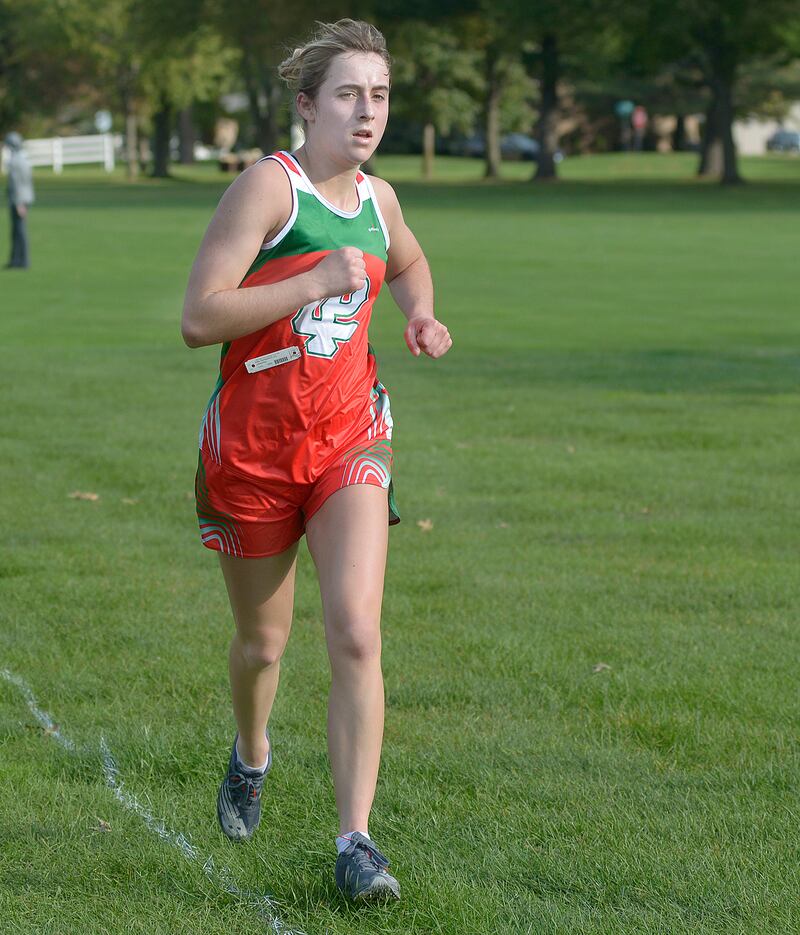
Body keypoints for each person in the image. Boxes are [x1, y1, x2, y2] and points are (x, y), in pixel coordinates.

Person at [181, 19, 451, 903]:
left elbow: (407, 263)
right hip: (254, 455)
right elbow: (200, 317)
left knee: (356, 629)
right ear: (306, 106)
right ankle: (252, 752)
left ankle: (355, 840)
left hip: (347, 438)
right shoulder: (270, 187)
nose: (367, 112)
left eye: (378, 95)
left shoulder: (380, 201)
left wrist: (417, 311)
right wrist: (309, 281)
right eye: (347, 94)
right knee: (264, 645)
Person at [4, 132, 34, 269]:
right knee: (16, 231)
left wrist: (19, 203)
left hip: (19, 200)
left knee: (20, 231)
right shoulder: (22, 159)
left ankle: (23, 260)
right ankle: (16, 260)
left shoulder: (16, 161)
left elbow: (18, 184)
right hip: (22, 199)